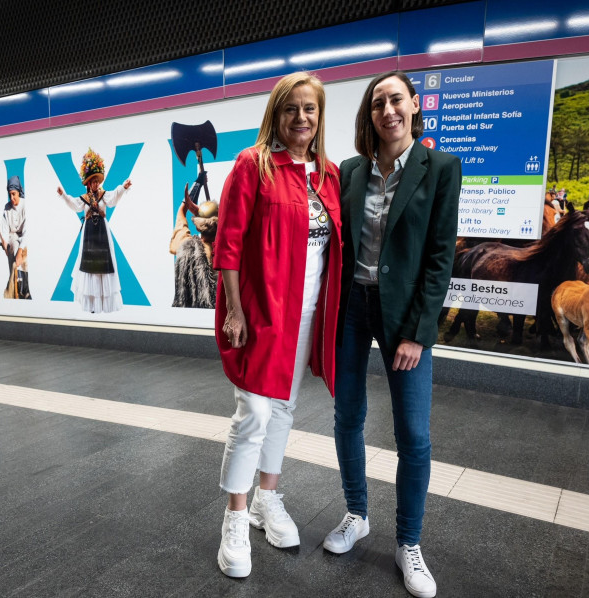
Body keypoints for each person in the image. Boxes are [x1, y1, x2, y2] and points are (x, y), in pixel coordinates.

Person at [327, 71, 461, 598]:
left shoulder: (441, 168)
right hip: (352, 310)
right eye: (379, 102)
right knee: (347, 417)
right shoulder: (351, 171)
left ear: (413, 107)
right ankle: (356, 513)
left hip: (405, 319)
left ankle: (409, 543)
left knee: (414, 435)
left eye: (396, 100)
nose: (389, 110)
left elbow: (440, 257)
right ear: (370, 114)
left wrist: (419, 334)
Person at [213, 71, 342, 578]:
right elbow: (227, 244)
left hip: (308, 311)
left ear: (319, 116)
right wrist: (234, 309)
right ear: (275, 114)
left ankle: (269, 498)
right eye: (291, 108)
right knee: (254, 414)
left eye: (309, 109)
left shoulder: (327, 175)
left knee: (285, 408)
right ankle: (235, 518)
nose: (301, 118)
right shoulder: (253, 166)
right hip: (262, 310)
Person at [56, 148, 131, 313]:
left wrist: (123, 188)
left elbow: (113, 198)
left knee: (104, 266)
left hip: (102, 235)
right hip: (89, 235)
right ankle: (91, 304)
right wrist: (63, 195)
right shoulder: (84, 199)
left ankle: (104, 303)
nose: (97, 184)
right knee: (89, 267)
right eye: (94, 181)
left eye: (98, 181)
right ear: (88, 183)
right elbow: (74, 204)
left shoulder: (104, 195)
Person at [169, 197, 218, 308]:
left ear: (197, 225)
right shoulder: (227, 251)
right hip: (218, 315)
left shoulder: (186, 246)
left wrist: (186, 202)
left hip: (191, 314)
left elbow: (181, 221)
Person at [0, 175, 29, 297]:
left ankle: (25, 291)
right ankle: (14, 293)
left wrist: (20, 252)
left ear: (19, 192)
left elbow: (28, 231)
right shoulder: (7, 207)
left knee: (23, 268)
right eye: (10, 194)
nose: (12, 198)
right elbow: (4, 229)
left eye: (14, 194)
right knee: (12, 270)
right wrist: (4, 244)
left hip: (25, 241)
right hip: (12, 242)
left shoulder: (26, 205)